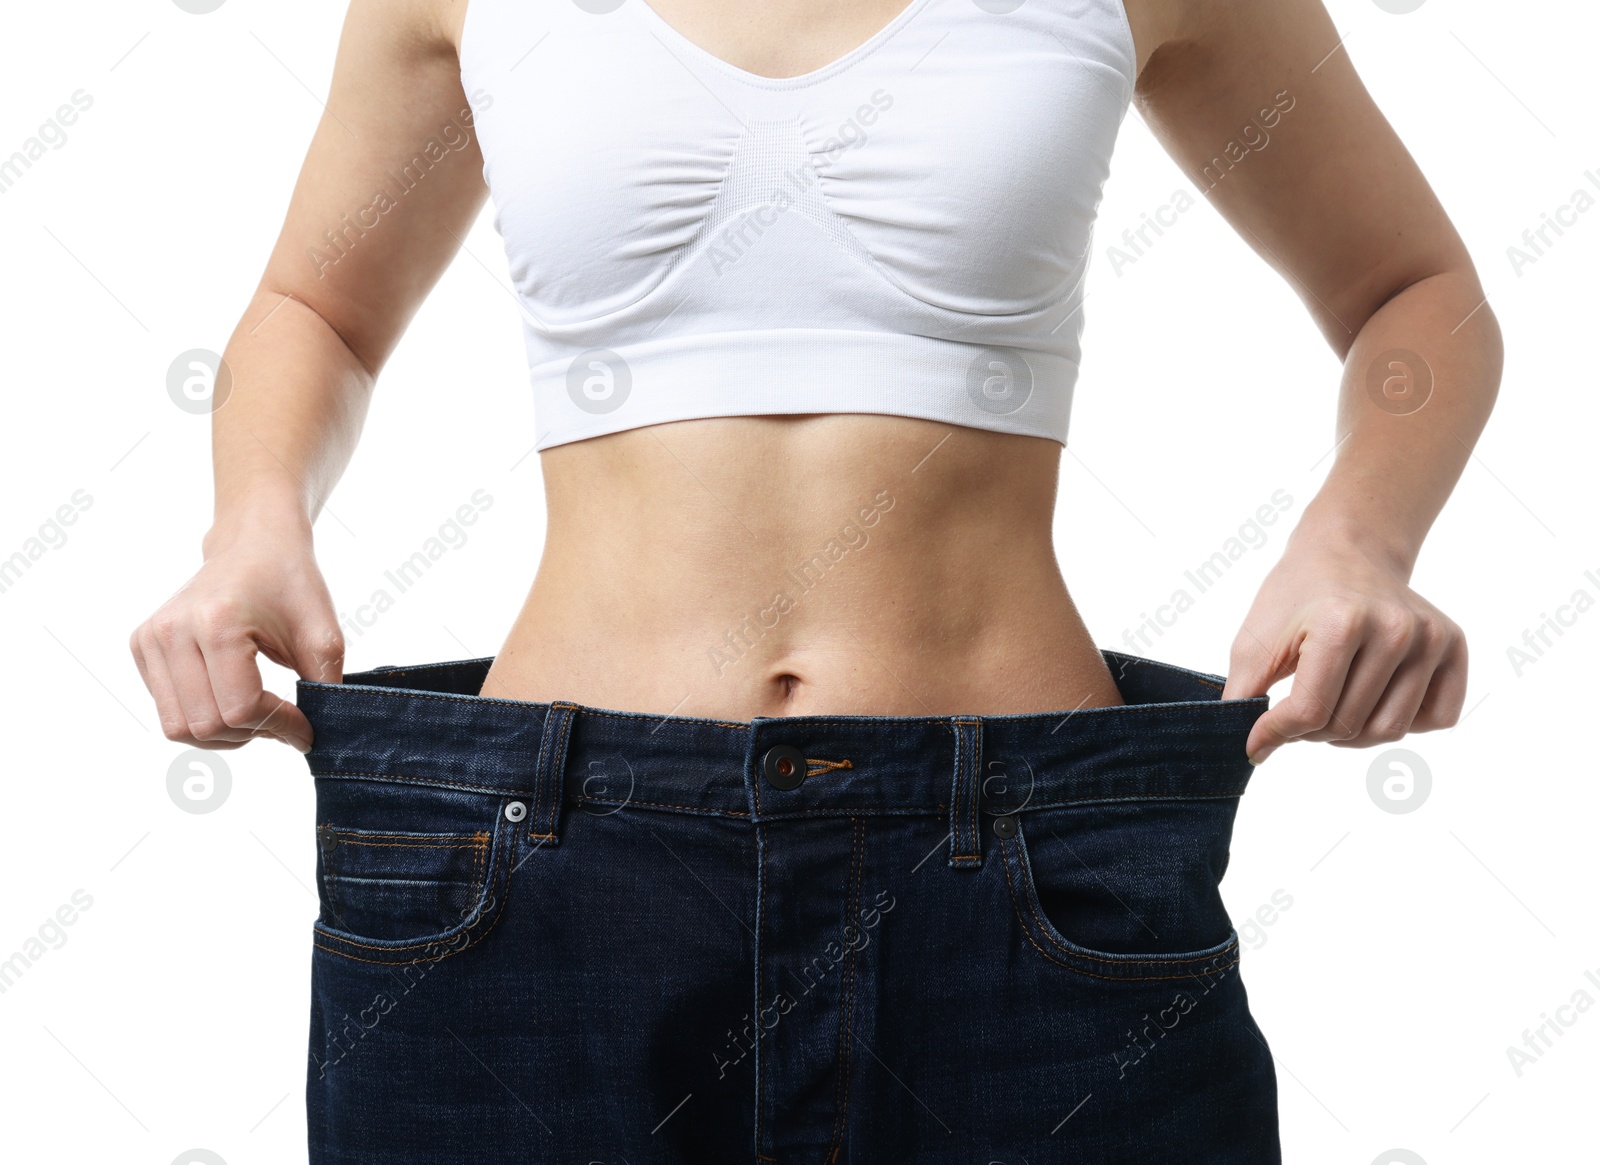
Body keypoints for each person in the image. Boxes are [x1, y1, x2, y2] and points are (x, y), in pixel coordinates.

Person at [129, 0, 1501, 1160]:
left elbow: (1413, 286)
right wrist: (250, 523)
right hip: (544, 890)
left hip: (1026, 890)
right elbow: (319, 306)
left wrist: (1360, 540)